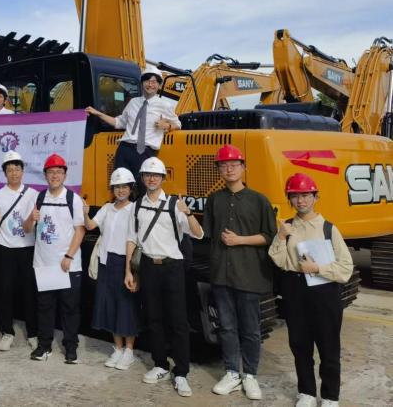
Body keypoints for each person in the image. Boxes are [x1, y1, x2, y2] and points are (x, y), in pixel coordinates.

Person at [269, 173, 353, 407]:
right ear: (289, 199)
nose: (301, 201)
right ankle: (306, 392)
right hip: (295, 289)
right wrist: (280, 237)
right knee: (299, 344)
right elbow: (279, 260)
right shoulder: (287, 227)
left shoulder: (328, 229)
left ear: (316, 197)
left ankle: (330, 396)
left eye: (306, 195)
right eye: (295, 196)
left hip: (324, 291)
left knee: (328, 346)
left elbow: (346, 267)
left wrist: (317, 268)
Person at [124, 157, 203, 398]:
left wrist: (188, 213)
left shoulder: (173, 205)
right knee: (153, 318)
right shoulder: (137, 206)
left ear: (162, 178)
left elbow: (199, 234)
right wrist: (129, 271)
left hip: (172, 268)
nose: (151, 178)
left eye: (156, 175)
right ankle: (160, 364)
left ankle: (181, 372)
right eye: (147, 175)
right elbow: (132, 239)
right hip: (148, 266)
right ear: (142, 178)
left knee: (178, 321)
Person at [203, 145, 276, 401]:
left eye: (234, 164)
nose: (229, 169)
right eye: (223, 165)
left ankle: (250, 375)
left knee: (250, 329)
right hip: (221, 275)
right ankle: (232, 373)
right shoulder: (214, 200)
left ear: (244, 167)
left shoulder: (259, 200)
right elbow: (207, 234)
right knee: (226, 327)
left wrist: (240, 240)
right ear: (219, 170)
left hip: (249, 275)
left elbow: (269, 236)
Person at [24, 154, 85, 364]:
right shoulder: (39, 198)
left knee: (70, 309)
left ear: (65, 175)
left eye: (59, 172)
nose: (55, 176)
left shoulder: (73, 199)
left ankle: (71, 347)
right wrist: (31, 219)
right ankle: (44, 346)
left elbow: (80, 231)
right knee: (44, 307)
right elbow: (27, 229)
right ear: (45, 175)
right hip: (44, 264)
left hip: (68, 264)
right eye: (51, 172)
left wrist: (69, 256)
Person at [86, 67, 180, 191]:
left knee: (143, 188)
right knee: (120, 186)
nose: (150, 85)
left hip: (145, 151)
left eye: (154, 82)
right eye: (147, 81)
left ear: (159, 85)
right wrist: (97, 113)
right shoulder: (133, 103)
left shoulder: (165, 105)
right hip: (124, 149)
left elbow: (178, 124)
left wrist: (167, 126)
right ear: (142, 83)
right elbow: (119, 122)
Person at [84, 167, 139, 370]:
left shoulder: (134, 209)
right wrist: (85, 213)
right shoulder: (107, 208)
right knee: (110, 306)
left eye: (124, 186)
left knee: (127, 307)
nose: (120, 190)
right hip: (106, 262)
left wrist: (131, 270)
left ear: (131, 188)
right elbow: (90, 226)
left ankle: (129, 351)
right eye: (117, 187)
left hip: (125, 263)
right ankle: (118, 349)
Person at [0, 150, 39, 352]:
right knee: (5, 291)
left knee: (29, 292)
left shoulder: (33, 194)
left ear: (23, 171)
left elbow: (33, 226)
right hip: (4, 249)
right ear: (5, 173)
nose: (14, 173)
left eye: (17, 169)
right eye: (10, 170)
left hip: (27, 249)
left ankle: (33, 333)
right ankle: (7, 332)